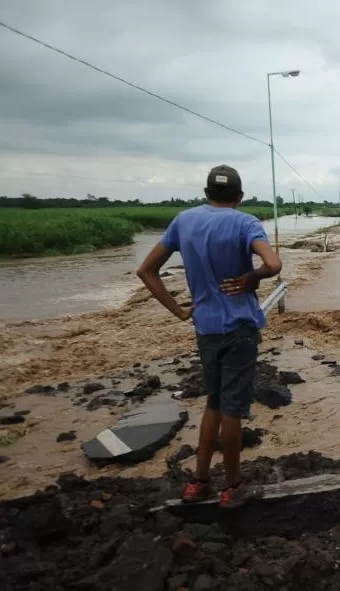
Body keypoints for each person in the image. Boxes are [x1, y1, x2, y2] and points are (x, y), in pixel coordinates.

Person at [136, 164, 281, 509]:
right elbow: (273, 265)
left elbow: (146, 270)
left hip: (205, 328)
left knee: (213, 404)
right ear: (240, 196)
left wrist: (179, 310)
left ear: (206, 194)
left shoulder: (183, 221)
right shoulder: (245, 222)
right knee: (232, 410)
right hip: (239, 330)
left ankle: (199, 481)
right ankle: (232, 486)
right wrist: (251, 277)